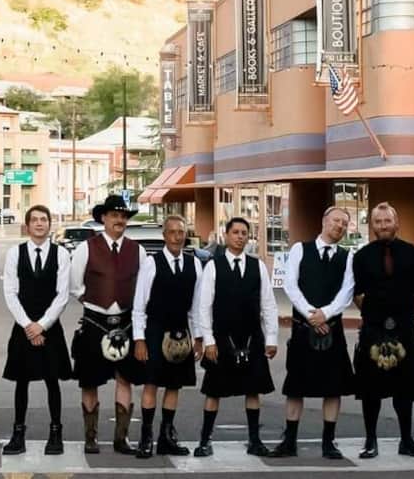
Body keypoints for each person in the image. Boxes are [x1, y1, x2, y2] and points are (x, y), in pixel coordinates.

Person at [270, 207, 356, 460]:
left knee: (333, 388)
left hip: (332, 329)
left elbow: (347, 291)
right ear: (324, 221)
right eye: (336, 221)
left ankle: (328, 443)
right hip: (303, 328)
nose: (339, 226)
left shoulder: (347, 257)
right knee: (296, 386)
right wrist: (311, 314)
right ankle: (289, 441)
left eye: (344, 223)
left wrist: (325, 314)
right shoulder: (300, 249)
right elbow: (290, 285)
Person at [69, 194, 147, 455]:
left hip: (125, 322)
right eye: (114, 215)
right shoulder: (86, 248)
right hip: (94, 320)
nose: (119, 220)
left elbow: (142, 288)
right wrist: (94, 301)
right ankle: (90, 438)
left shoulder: (138, 250)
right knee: (89, 381)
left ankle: (121, 438)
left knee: (125, 379)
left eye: (123, 216)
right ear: (103, 218)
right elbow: (75, 285)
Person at [194, 217, 278, 458]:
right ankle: (204, 440)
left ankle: (255, 440)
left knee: (253, 390)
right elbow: (203, 306)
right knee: (213, 391)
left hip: (252, 337)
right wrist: (208, 340)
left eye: (244, 233)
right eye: (236, 232)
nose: (240, 237)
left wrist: (271, 338)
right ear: (226, 235)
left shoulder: (257, 266)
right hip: (222, 338)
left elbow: (268, 304)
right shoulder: (213, 266)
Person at [352, 202, 414, 459]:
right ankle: (370, 440)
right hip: (372, 329)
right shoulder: (361, 257)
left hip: (404, 329)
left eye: (387, 221)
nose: (383, 226)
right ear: (372, 225)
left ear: (396, 223)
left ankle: (407, 440)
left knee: (404, 387)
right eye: (378, 221)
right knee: (370, 389)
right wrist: (374, 314)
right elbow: (357, 294)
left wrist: (404, 314)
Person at [1, 205, 72, 456]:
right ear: (28, 225)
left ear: (49, 224)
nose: (40, 224)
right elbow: (10, 292)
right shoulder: (15, 253)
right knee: (21, 382)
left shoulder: (61, 254)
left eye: (44, 219)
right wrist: (28, 326)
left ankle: (56, 433)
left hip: (50, 327)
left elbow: (62, 295)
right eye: (35, 220)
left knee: (52, 381)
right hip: (23, 327)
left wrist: (41, 325)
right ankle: (18, 433)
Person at [131, 214, 202, 458]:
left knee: (174, 385)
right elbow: (139, 305)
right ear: (164, 236)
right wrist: (139, 339)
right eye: (172, 232)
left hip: (181, 332)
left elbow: (196, 307)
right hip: (154, 330)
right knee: (151, 383)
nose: (177, 237)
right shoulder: (152, 263)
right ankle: (146, 437)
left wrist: (198, 338)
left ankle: (166, 437)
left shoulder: (195, 264)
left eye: (181, 232)